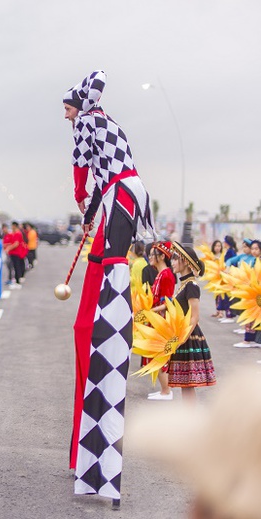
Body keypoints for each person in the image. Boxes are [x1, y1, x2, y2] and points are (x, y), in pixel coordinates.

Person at [64, 70, 155, 504]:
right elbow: (100, 174)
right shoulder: (102, 122)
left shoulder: (88, 120)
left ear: (79, 105)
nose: (66, 117)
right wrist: (89, 213)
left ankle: (115, 302)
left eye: (67, 108)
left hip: (123, 194)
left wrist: (82, 198)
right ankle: (109, 289)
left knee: (115, 266)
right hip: (122, 193)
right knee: (107, 261)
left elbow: (82, 168)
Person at [167, 242, 216, 400]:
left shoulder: (191, 285)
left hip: (188, 336)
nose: (172, 262)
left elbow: (195, 316)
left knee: (188, 384)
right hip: (182, 334)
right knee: (185, 385)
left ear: (186, 262)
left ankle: (191, 419)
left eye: (175, 259)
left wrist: (182, 338)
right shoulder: (184, 284)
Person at [146, 241, 176, 400]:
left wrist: (149, 312)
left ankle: (167, 391)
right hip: (156, 319)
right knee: (155, 354)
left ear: (162, 256)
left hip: (161, 321)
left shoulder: (166, 275)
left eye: (152, 254)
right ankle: (164, 389)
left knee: (160, 355)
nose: (150, 257)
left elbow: (168, 303)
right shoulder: (160, 274)